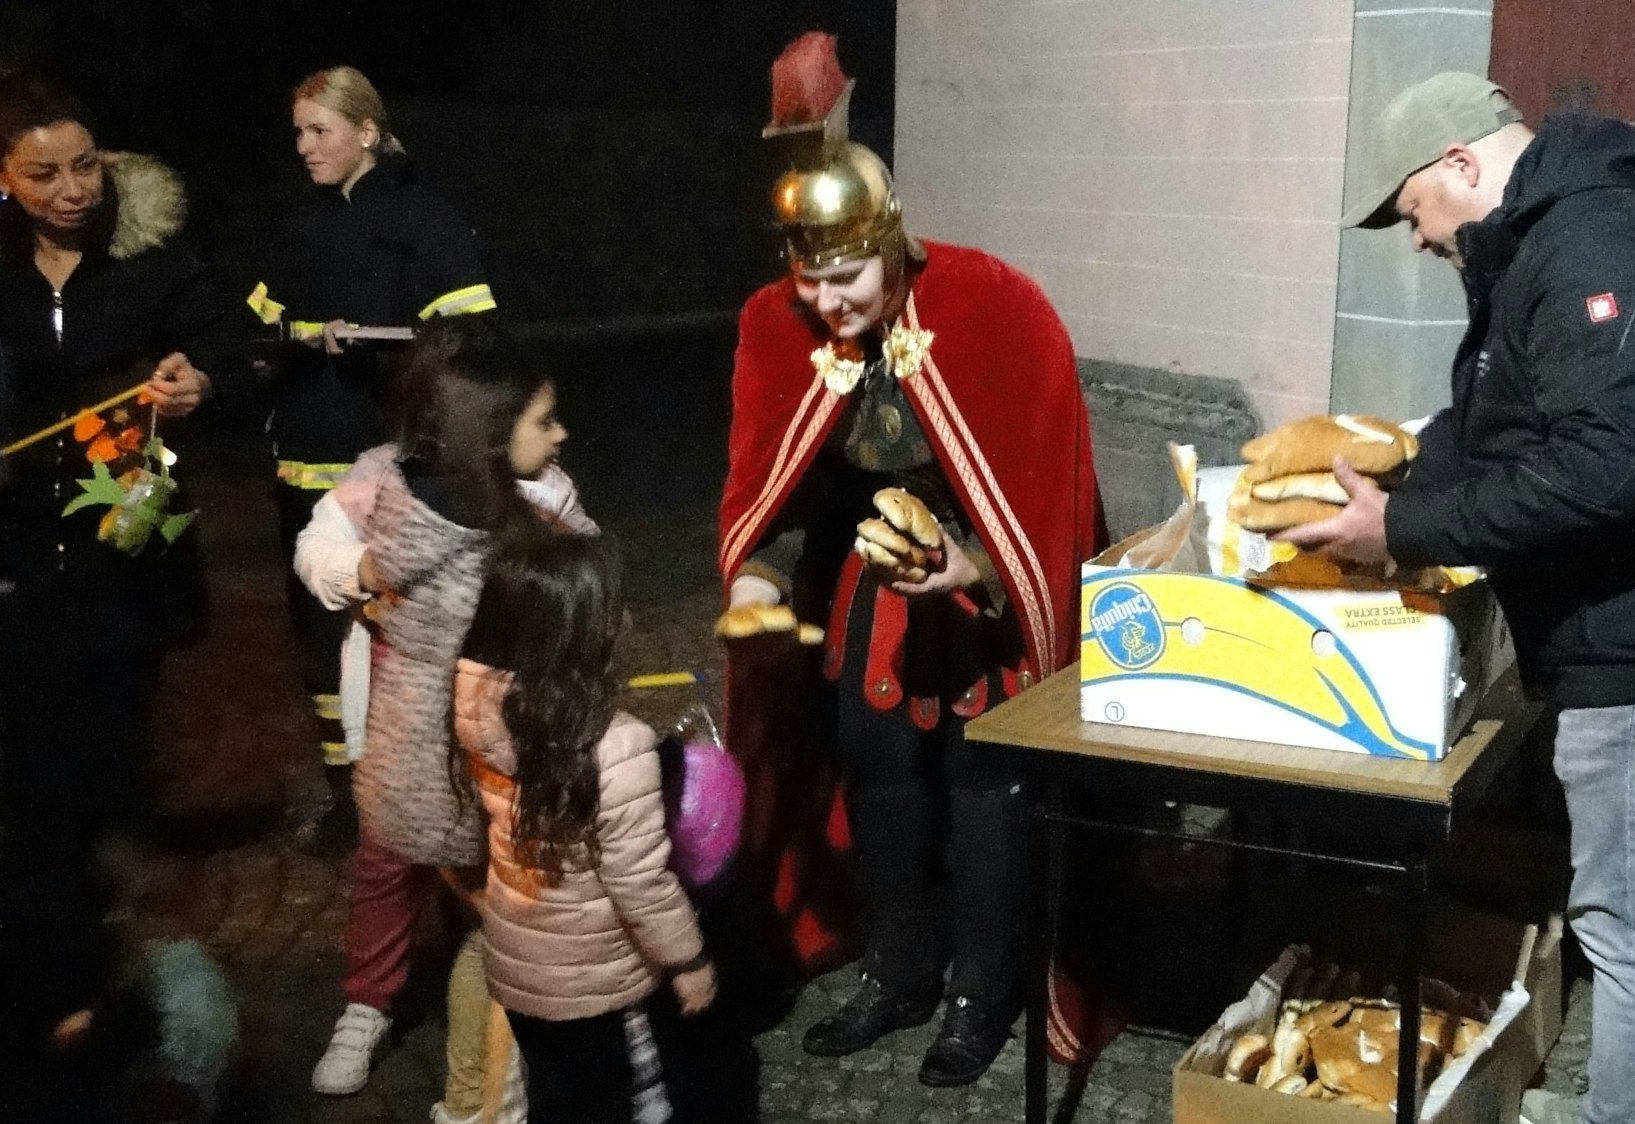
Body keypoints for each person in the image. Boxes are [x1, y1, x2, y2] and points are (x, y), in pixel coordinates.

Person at [1289, 74, 1635, 1124]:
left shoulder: (1592, 248)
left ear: (1460, 165)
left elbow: (1603, 467)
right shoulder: (1547, 242)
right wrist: (1396, 475)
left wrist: (1397, 532)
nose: (1415, 237)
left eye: (1410, 211)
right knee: (1621, 909)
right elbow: (1498, 419)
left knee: (1627, 921)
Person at [717, 32, 1103, 1087]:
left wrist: (978, 563)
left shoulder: (992, 304)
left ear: (891, 244)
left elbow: (1039, 477)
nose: (831, 304)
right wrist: (758, 566)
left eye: (848, 277)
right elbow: (782, 479)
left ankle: (984, 993)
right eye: (813, 282)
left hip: (978, 606)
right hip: (867, 596)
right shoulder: (782, 325)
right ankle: (898, 969)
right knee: (881, 780)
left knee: (988, 790)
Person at [293, 318, 590, 1119]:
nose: (560, 435)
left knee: (500, 876)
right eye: (541, 418)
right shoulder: (384, 478)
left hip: (497, 731)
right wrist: (352, 571)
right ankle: (369, 999)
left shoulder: (544, 494)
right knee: (387, 865)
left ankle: (501, 1041)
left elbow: (585, 574)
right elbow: (319, 541)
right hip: (402, 720)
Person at [0, 72, 221, 1084]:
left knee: (115, 742)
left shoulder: (151, 260)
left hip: (122, 539)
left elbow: (221, 351)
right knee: (36, 767)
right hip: (12, 554)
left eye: (86, 164)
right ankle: (59, 940)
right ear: (4, 177)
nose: (73, 187)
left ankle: (104, 922)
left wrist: (196, 381)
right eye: (43, 171)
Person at [253, 65, 499, 857]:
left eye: (319, 130)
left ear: (365, 130)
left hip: (392, 458)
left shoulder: (425, 221)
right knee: (317, 642)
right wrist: (284, 342)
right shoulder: (295, 223)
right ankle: (345, 795)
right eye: (298, 132)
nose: (304, 148)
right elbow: (252, 330)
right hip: (303, 456)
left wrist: (387, 344)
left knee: (404, 628)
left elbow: (471, 337)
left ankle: (418, 785)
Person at [456, 528, 717, 1124]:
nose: (625, 618)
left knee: (557, 1100)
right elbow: (639, 883)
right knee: (611, 1100)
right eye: (613, 607)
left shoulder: (479, 705)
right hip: (593, 979)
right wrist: (689, 961)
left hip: (518, 958)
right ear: (583, 633)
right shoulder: (616, 746)